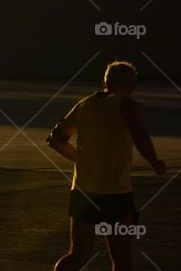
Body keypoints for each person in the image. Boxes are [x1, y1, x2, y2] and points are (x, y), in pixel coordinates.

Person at [47, 60, 167, 271]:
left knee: (76, 255)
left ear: (105, 81)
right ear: (131, 85)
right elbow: (140, 135)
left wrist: (82, 159)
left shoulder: (84, 104)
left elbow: (56, 140)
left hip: (83, 191)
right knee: (121, 260)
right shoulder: (129, 105)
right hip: (115, 193)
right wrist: (155, 162)